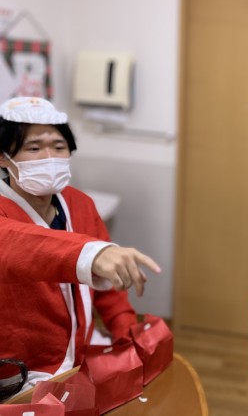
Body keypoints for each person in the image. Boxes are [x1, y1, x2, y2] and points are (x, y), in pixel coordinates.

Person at [0, 96, 161, 399]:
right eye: (34, 148)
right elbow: (15, 244)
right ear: (3, 157)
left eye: (58, 147)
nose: (49, 157)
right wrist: (91, 253)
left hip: (80, 355)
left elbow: (107, 288)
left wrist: (126, 334)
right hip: (21, 374)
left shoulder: (80, 205)